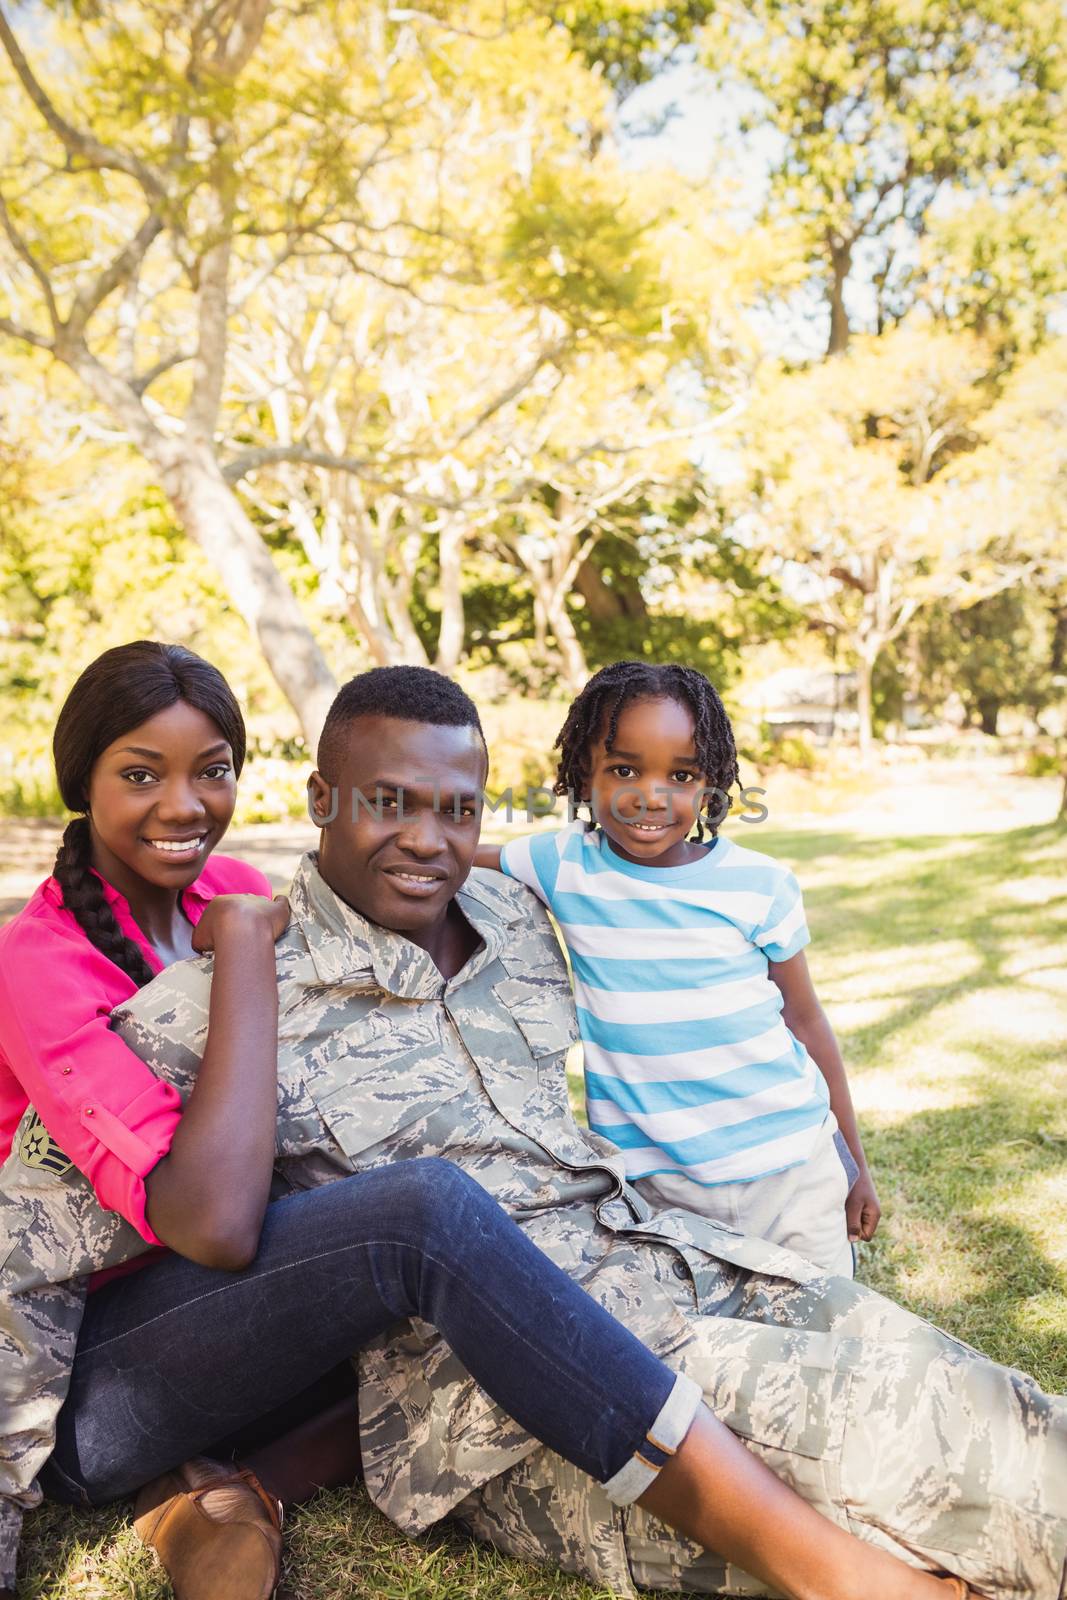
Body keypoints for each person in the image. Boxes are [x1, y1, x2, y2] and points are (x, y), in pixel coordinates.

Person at [96, 668, 1061, 1599]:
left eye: (455, 809)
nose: (428, 840)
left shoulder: (517, 914)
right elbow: (46, 1258)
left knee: (994, 1401)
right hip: (523, 1397)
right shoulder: (223, 1003)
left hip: (688, 1261)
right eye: (388, 801)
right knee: (951, 1458)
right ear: (321, 796)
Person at [0, 644, 783, 1600]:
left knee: (441, 1284)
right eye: (139, 774)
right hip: (104, 1351)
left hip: (253, 1310)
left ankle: (236, 1485)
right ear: (77, 779)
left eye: (212, 772)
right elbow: (189, 1225)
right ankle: (205, 1489)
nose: (183, 805)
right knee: (416, 1217)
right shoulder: (46, 964)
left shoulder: (232, 889)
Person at [474, 660, 877, 1276]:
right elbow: (444, 857)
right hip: (662, 1189)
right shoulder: (564, 864)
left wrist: (855, 1162)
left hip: (793, 1169)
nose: (650, 795)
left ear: (710, 785)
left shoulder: (759, 885)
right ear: (585, 773)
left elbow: (806, 1021)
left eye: (681, 774)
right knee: (716, 1346)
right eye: (624, 769)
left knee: (832, 1333)